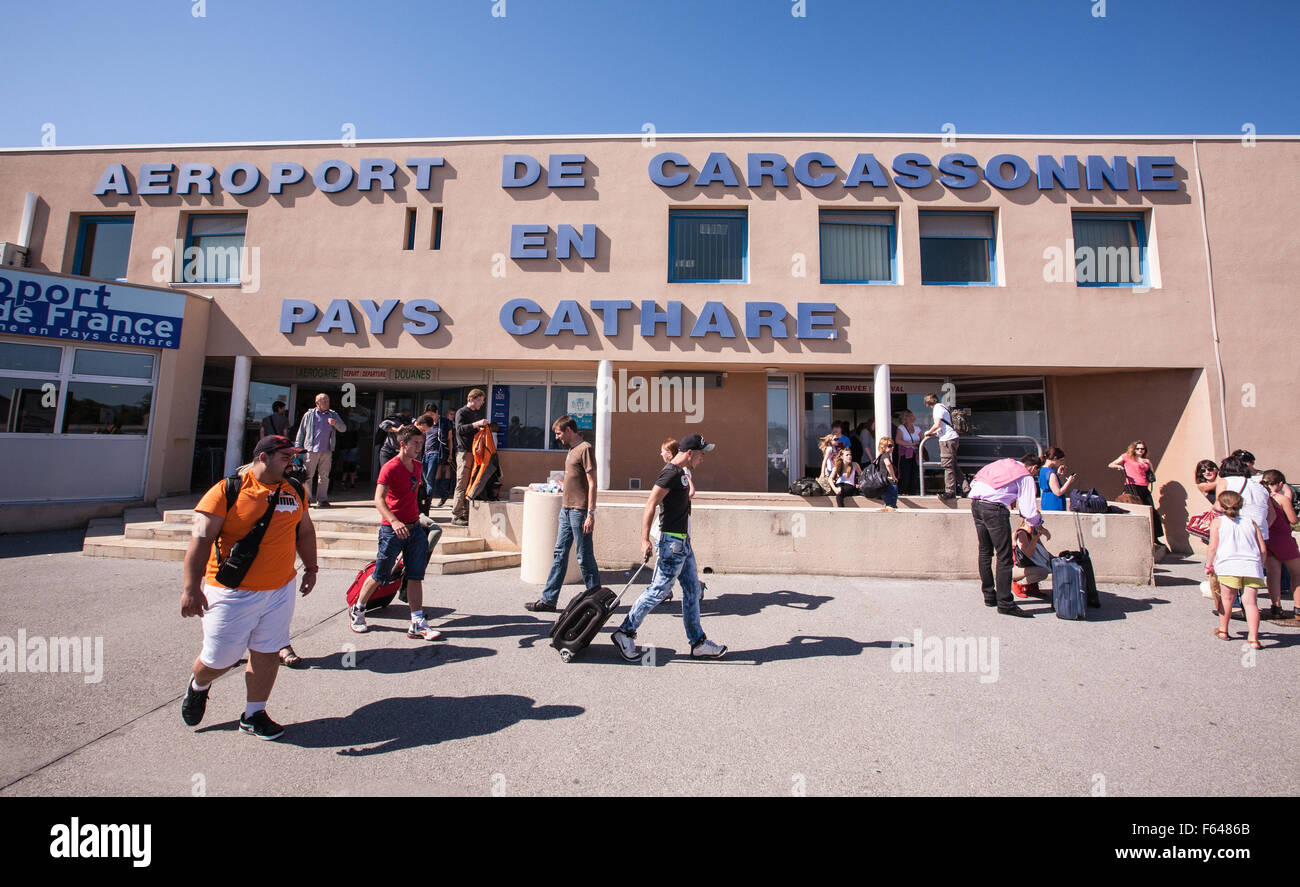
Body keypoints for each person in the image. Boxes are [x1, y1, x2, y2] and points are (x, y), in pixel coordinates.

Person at [179, 435, 318, 740]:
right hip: (233, 591)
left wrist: (311, 567)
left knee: (267, 650)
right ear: (264, 457)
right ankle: (198, 685)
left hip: (280, 589)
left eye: (293, 456)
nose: (292, 461)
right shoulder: (226, 491)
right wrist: (191, 588)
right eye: (286, 455)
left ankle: (254, 714)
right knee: (219, 659)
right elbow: (200, 540)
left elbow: (305, 532)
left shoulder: (294, 490)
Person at [611, 433, 726, 661]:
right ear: (690, 453)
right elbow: (650, 504)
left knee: (693, 591)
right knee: (659, 590)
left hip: (683, 542)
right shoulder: (670, 473)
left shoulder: (682, 473)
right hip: (671, 543)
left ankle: (698, 643)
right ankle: (625, 632)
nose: (703, 458)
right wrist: (644, 539)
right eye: (701, 454)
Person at [348, 426, 442, 641]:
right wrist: (394, 521)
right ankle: (359, 609)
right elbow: (378, 499)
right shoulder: (390, 468)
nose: (419, 447)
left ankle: (417, 621)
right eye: (415, 443)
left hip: (414, 529)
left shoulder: (417, 466)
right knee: (381, 574)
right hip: (392, 530)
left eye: (421, 443)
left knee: (415, 576)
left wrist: (420, 519)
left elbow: (411, 498)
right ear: (403, 444)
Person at [525, 416, 601, 612]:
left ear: (569, 430)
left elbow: (593, 483)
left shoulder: (585, 449)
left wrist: (590, 513)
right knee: (559, 554)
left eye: (559, 433)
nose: (557, 437)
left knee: (584, 556)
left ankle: (597, 600)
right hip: (566, 510)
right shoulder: (571, 450)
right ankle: (549, 600)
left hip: (579, 511)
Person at [968, 453, 1046, 617]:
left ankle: (989, 596)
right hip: (995, 510)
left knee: (985, 552)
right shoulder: (1025, 476)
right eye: (1035, 473)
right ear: (1034, 468)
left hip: (976, 504)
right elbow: (1028, 511)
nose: (1034, 476)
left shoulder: (1001, 463)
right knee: (1004, 556)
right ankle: (1005, 603)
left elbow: (975, 481)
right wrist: (1038, 523)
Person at [1207, 489, 1265, 650]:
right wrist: (1261, 564)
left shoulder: (1218, 522)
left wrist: (1209, 565)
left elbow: (1212, 547)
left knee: (1227, 600)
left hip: (1229, 565)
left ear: (1221, 505)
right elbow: (1263, 548)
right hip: (1251, 565)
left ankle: (1223, 630)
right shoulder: (1250, 522)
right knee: (1251, 603)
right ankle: (1253, 638)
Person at [1108, 440, 1164, 545]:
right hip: (1132, 486)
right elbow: (1111, 464)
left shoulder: (1145, 460)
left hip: (1144, 487)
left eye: (1142, 449)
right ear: (1133, 449)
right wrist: (1118, 466)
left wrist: (1149, 464)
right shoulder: (1126, 457)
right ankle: (1136, 537)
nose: (1140, 451)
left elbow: (1151, 473)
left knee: (1152, 511)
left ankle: (1155, 537)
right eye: (1138, 448)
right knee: (1136, 510)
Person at [294, 393, 346, 508]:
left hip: (327, 450)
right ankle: (306, 499)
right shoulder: (309, 415)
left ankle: (322, 499)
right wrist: (297, 448)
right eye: (324, 401)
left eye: (328, 401)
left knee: (324, 476)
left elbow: (343, 429)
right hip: (311, 450)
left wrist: (335, 423)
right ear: (317, 403)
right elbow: (301, 432)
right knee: (308, 475)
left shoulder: (333, 415)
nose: (327, 403)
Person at [1261, 469, 1299, 620]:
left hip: (1269, 537)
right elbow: (1293, 520)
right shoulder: (1281, 498)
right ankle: (1298, 608)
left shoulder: (1261, 497)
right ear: (1280, 483)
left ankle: (1276, 607)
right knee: (1297, 573)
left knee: (1273, 573)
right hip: (1283, 537)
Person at [451, 389, 489, 527]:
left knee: (470, 483)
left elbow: (471, 431)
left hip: (473, 452)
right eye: (480, 400)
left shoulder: (474, 414)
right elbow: (460, 429)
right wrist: (477, 424)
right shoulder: (462, 412)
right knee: (462, 483)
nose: (482, 403)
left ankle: (466, 513)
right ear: (471, 399)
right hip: (464, 452)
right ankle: (456, 514)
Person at [921, 393, 962, 500]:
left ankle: (950, 492)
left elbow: (937, 424)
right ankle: (966, 489)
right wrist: (934, 433)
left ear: (928, 403)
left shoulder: (937, 408)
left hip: (947, 440)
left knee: (947, 465)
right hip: (951, 437)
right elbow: (943, 425)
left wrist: (928, 432)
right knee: (953, 465)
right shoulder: (943, 407)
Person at [1011, 521, 1052, 599]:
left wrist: (1054, 558)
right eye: (1038, 521)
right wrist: (1034, 539)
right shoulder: (1021, 533)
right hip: (1015, 568)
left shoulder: (1033, 533)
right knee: (1042, 572)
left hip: (1027, 566)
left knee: (1051, 565)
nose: (1040, 524)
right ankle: (1018, 583)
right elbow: (1029, 554)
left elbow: (1043, 551)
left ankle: (1031, 587)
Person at [1038, 447, 1077, 511]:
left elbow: (1049, 484)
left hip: (1046, 500)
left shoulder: (1042, 470)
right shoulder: (1051, 473)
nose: (1061, 463)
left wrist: (1058, 474)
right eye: (1061, 460)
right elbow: (1058, 492)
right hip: (1054, 503)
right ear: (1055, 458)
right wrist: (1069, 481)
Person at [894, 410, 922, 495]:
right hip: (905, 454)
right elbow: (898, 440)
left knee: (915, 474)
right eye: (908, 416)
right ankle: (903, 491)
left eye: (911, 416)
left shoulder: (917, 428)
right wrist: (911, 444)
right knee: (905, 473)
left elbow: (922, 440)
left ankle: (913, 492)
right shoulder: (901, 428)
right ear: (904, 418)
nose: (910, 418)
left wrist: (918, 445)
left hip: (915, 454)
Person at [873, 436, 900, 510]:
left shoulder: (882, 456)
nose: (892, 447)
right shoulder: (885, 455)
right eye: (890, 446)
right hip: (889, 483)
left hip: (885, 484)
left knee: (889, 505)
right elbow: (888, 464)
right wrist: (893, 476)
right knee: (891, 505)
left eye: (893, 445)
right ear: (883, 447)